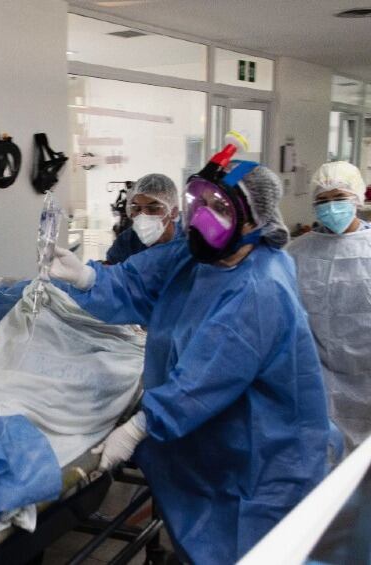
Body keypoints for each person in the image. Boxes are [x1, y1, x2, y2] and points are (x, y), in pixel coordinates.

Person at [50, 160, 329, 564]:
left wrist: (139, 427)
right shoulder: (197, 258)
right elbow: (139, 283)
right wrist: (87, 277)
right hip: (210, 450)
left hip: (261, 461)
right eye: (198, 201)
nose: (201, 216)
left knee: (250, 548)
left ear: (252, 221)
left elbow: (203, 381)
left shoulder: (259, 288)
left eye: (219, 207)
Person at [287, 161, 371, 454]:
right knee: (326, 452)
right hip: (318, 374)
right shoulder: (297, 251)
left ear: (357, 198)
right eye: (322, 200)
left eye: (339, 197)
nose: (331, 206)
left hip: (366, 372)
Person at [105, 173, 182, 264]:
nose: (143, 215)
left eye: (153, 208)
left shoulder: (189, 240)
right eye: (136, 208)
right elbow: (109, 268)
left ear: (173, 212)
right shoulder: (127, 241)